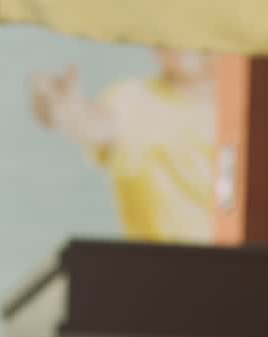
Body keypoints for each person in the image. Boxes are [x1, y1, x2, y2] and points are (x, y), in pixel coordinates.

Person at [30, 49, 215, 244]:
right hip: (166, 266)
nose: (170, 44)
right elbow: (96, 126)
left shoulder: (240, 102)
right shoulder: (132, 99)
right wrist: (68, 114)